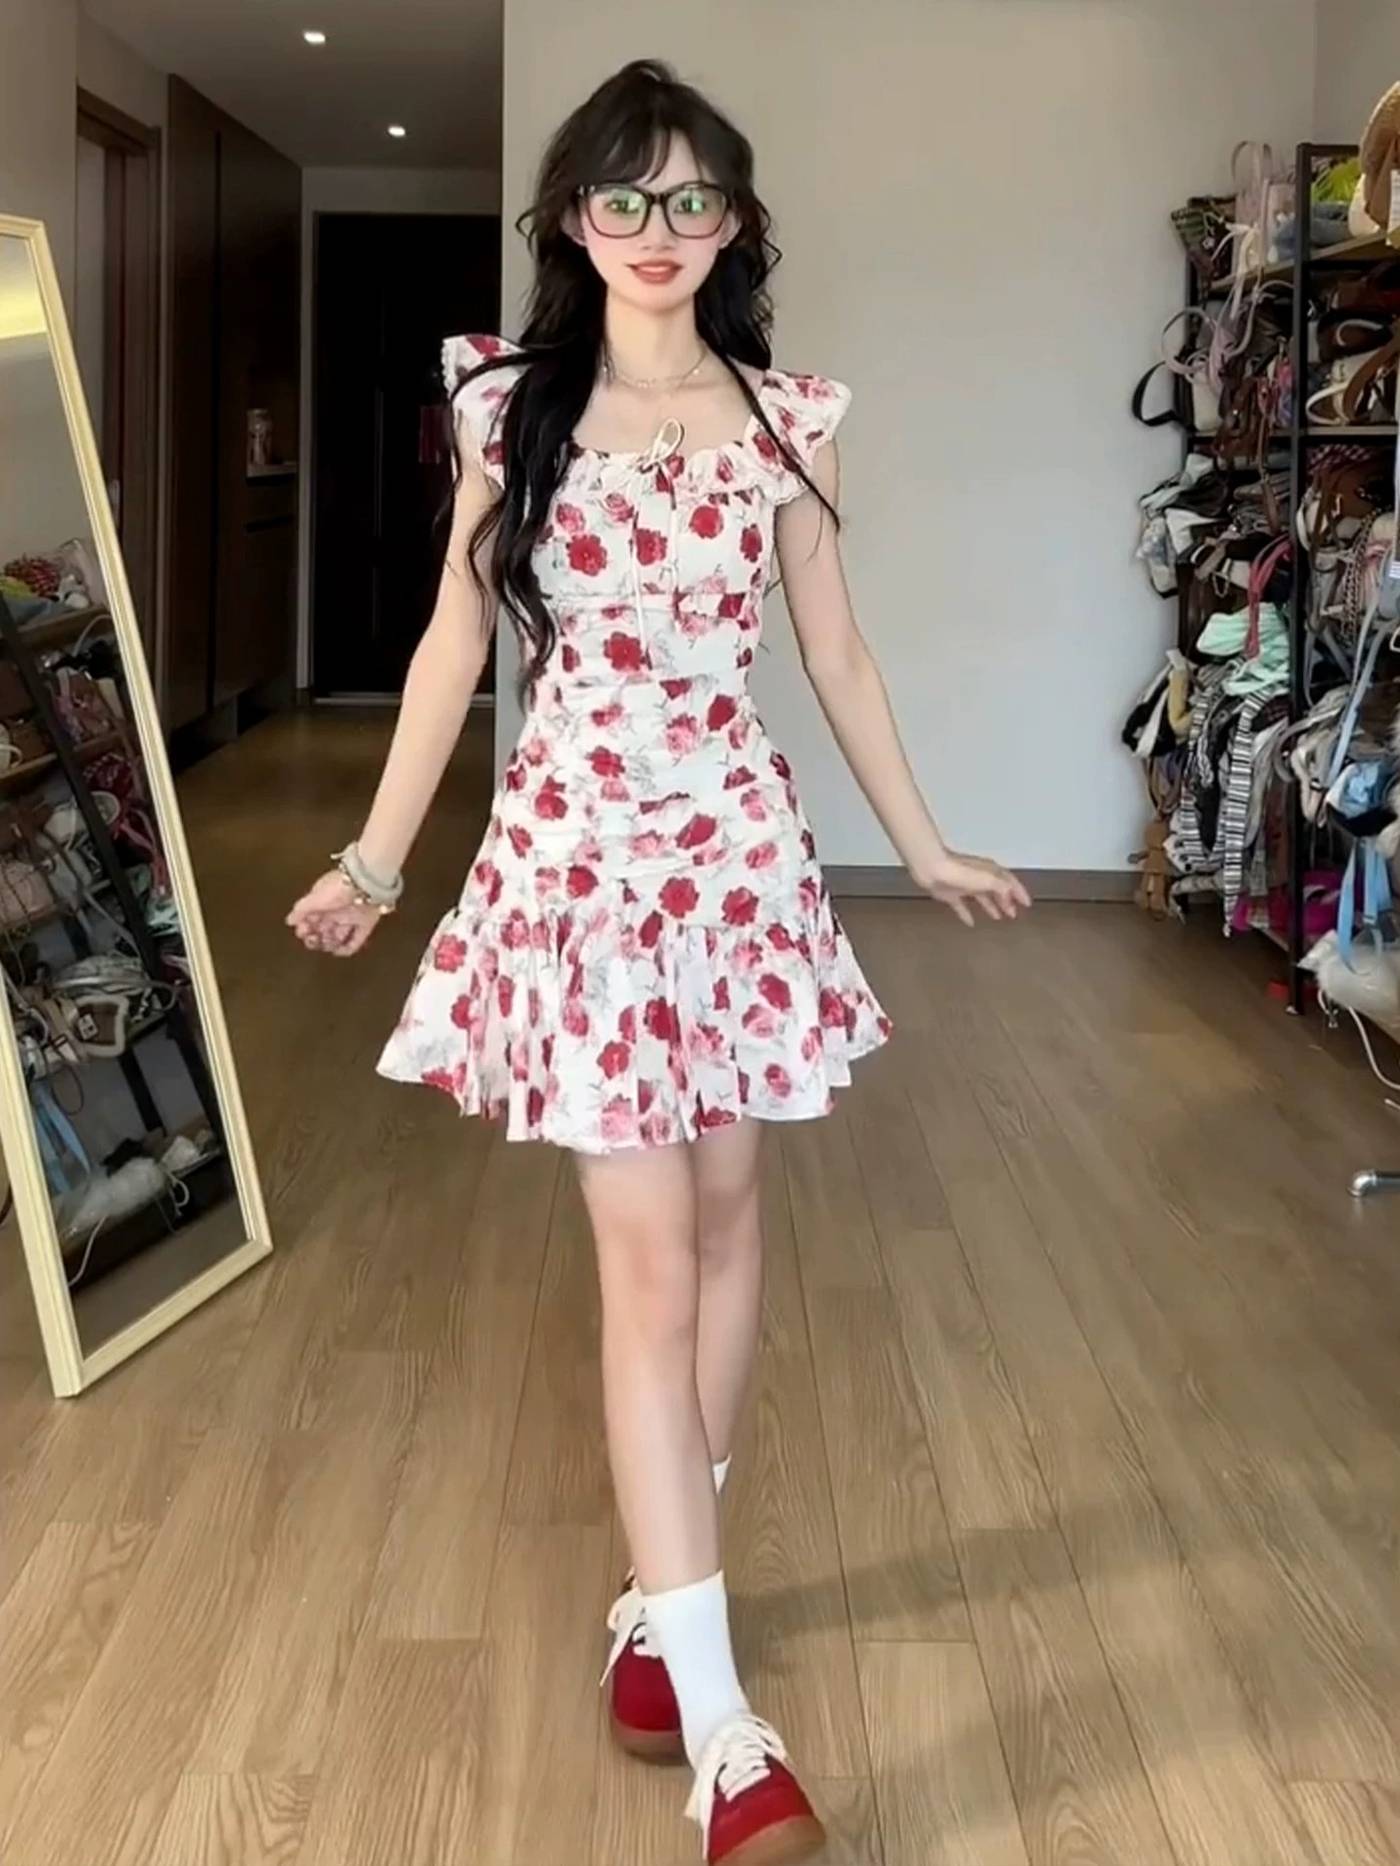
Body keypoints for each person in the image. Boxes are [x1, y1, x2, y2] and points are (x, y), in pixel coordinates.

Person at [288, 58, 1029, 1866]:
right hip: (581, 873)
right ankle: (722, 1730)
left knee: (726, 1224)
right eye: (624, 198)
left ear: (738, 224)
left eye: (693, 199)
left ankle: (656, 1604)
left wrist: (926, 844)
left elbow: (836, 652)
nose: (657, 230)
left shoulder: (788, 417)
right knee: (644, 1264)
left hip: (741, 867)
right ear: (572, 218)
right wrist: (376, 857)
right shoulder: (509, 406)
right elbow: (458, 636)